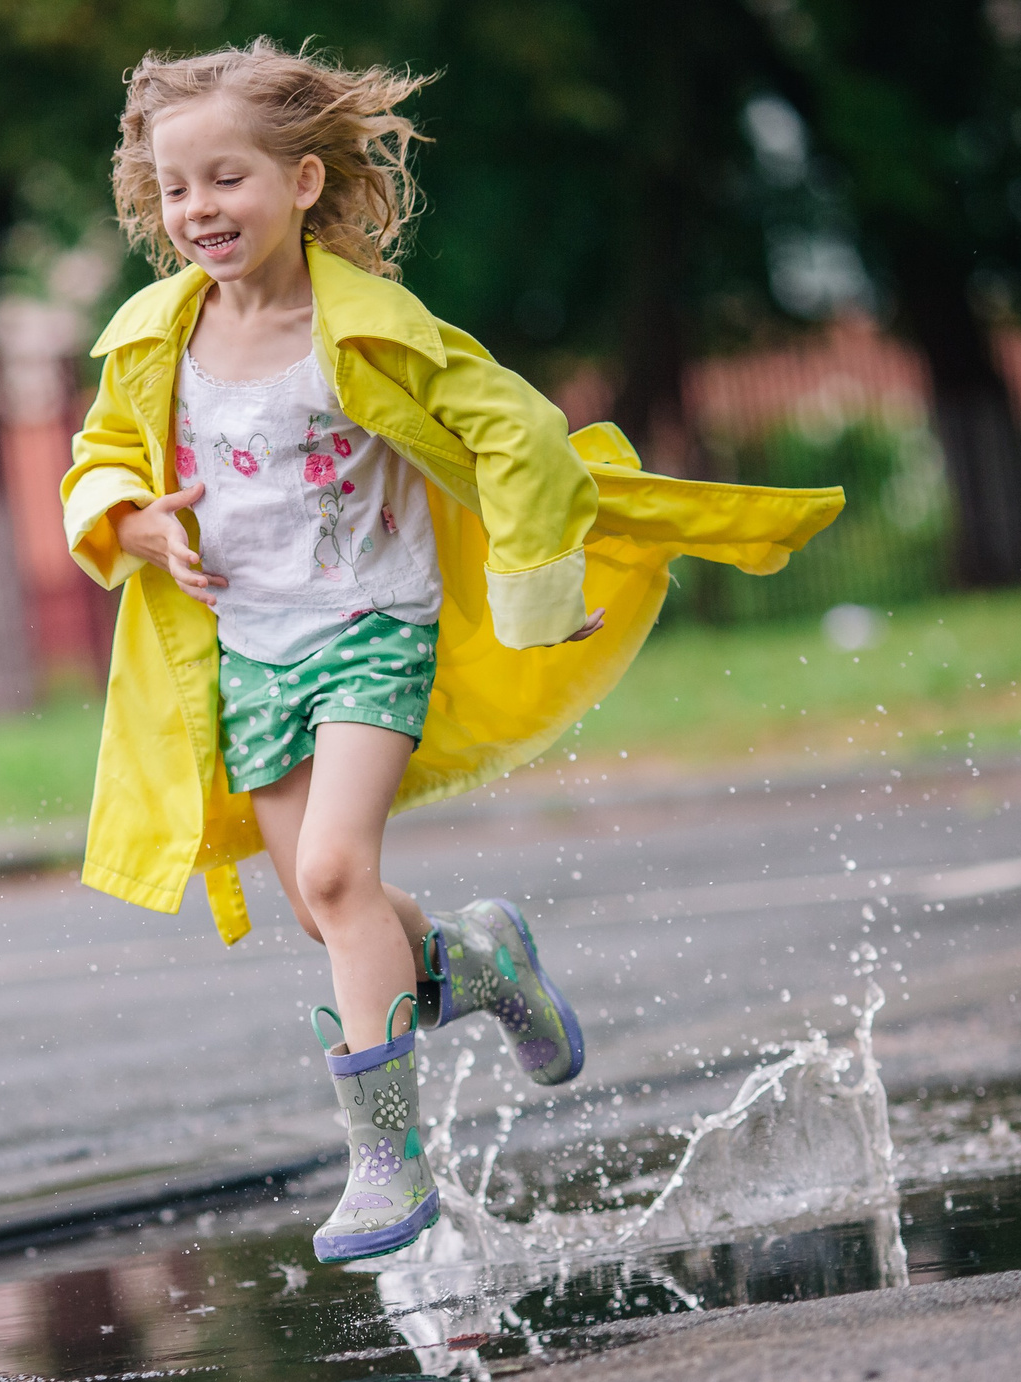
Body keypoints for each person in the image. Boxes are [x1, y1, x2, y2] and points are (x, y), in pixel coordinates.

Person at [60, 40, 843, 1263]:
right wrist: (129, 516)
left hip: (375, 629)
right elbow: (102, 447)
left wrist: (539, 588)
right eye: (176, 188)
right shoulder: (157, 336)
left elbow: (521, 434)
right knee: (337, 913)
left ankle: (384, 1160)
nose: (200, 209)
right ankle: (478, 957)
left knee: (331, 873)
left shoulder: (371, 327)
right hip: (249, 655)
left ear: (306, 183)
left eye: (229, 179)